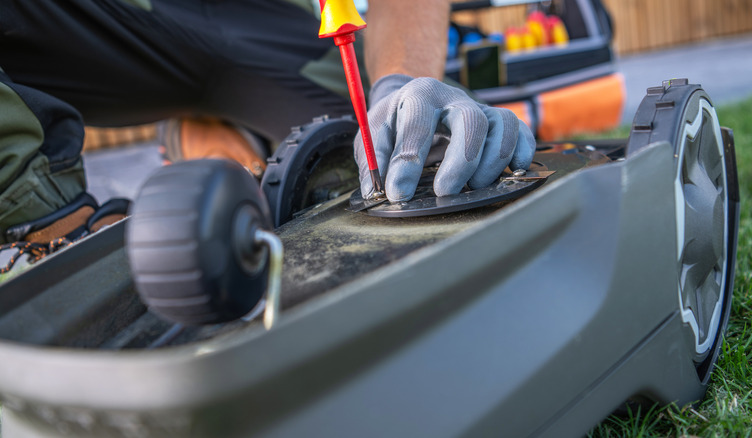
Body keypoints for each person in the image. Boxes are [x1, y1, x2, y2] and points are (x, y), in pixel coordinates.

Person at [0, 0, 535, 271]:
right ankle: (46, 221)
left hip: (262, 18)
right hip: (78, 20)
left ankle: (220, 139)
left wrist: (402, 80)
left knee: (378, 155)